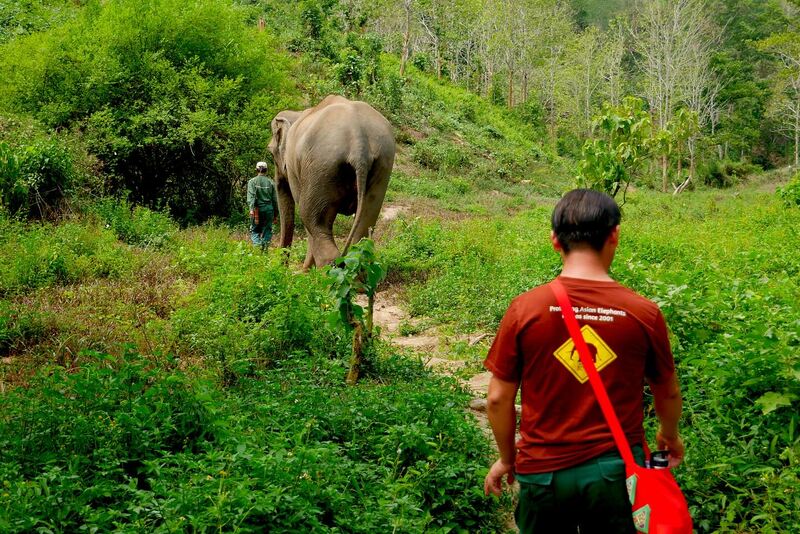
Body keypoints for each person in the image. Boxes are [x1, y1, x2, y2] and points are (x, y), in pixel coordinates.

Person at [483, 189, 684, 533]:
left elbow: (498, 399)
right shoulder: (642, 313)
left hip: (542, 473)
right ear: (614, 235)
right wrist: (669, 436)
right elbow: (666, 392)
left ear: (554, 241)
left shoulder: (525, 309)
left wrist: (506, 458)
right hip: (615, 473)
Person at [247, 161, 279, 250]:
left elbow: (251, 198)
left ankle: (257, 250)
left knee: (255, 230)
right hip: (269, 209)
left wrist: (251, 209)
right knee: (267, 230)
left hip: (256, 209)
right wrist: (275, 214)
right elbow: (275, 200)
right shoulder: (271, 182)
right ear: (266, 170)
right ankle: (264, 251)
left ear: (256, 169)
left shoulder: (252, 182)